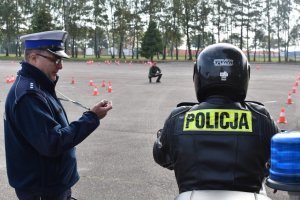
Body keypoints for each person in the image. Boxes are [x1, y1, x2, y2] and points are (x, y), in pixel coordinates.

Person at [153, 43, 280, 196]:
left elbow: (161, 156)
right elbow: (280, 156)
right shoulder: (260, 118)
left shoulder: (178, 117)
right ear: (244, 74)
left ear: (198, 74)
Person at [4, 30, 112, 200]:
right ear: (33, 58)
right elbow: (53, 142)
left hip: (50, 184)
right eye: (55, 59)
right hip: (42, 189)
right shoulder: (29, 96)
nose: (60, 66)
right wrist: (92, 117)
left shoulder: (39, 86)